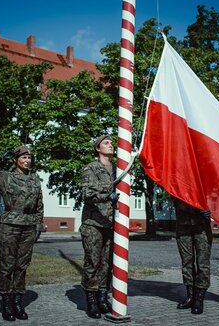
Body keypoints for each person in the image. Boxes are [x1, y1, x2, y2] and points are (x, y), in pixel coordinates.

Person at [0, 145, 43, 321]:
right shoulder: (4, 177)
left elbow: (39, 205)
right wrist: (2, 156)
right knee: (7, 265)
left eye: (29, 158)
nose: (27, 161)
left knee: (22, 266)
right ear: (16, 160)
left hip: (28, 226)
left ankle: (17, 303)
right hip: (10, 225)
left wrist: (38, 224)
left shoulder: (35, 180)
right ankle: (6, 303)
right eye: (23, 158)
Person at [79, 135, 119, 319]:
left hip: (111, 224)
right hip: (93, 223)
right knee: (93, 263)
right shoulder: (91, 168)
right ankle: (92, 300)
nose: (111, 145)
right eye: (106, 143)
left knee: (107, 264)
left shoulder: (119, 169)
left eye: (111, 143)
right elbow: (87, 193)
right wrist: (107, 196)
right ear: (98, 148)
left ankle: (103, 297)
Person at [173, 197, 212, 315]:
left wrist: (211, 210)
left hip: (202, 227)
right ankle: (190, 297)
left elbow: (215, 197)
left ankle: (199, 299)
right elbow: (174, 196)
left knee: (202, 263)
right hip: (183, 225)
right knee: (187, 263)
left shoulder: (204, 181)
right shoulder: (177, 180)